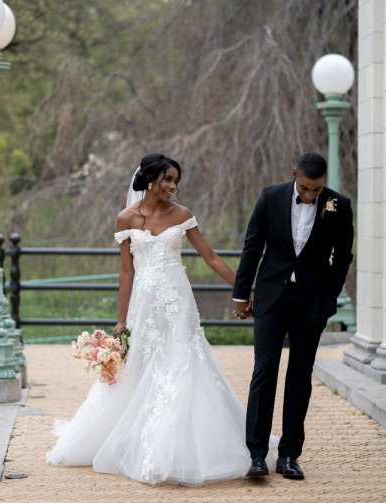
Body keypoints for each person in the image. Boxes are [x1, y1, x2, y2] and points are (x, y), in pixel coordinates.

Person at [46, 153, 277, 485]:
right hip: (144, 305)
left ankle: (184, 448)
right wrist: (121, 320)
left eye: (175, 181)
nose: (172, 186)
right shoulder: (125, 219)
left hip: (178, 302)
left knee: (184, 363)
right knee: (144, 366)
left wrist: (244, 290)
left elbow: (210, 257)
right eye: (168, 179)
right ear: (150, 179)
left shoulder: (183, 215)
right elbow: (126, 271)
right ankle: (141, 442)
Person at [232, 152, 354, 480]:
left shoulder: (339, 206)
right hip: (273, 296)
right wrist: (241, 294)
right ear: (294, 174)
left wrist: (328, 301)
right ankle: (257, 455)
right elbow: (253, 246)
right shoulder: (270, 197)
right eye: (305, 189)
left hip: (311, 302)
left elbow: (342, 258)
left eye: (317, 190)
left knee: (299, 376)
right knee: (264, 370)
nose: (311, 196)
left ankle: (289, 456)